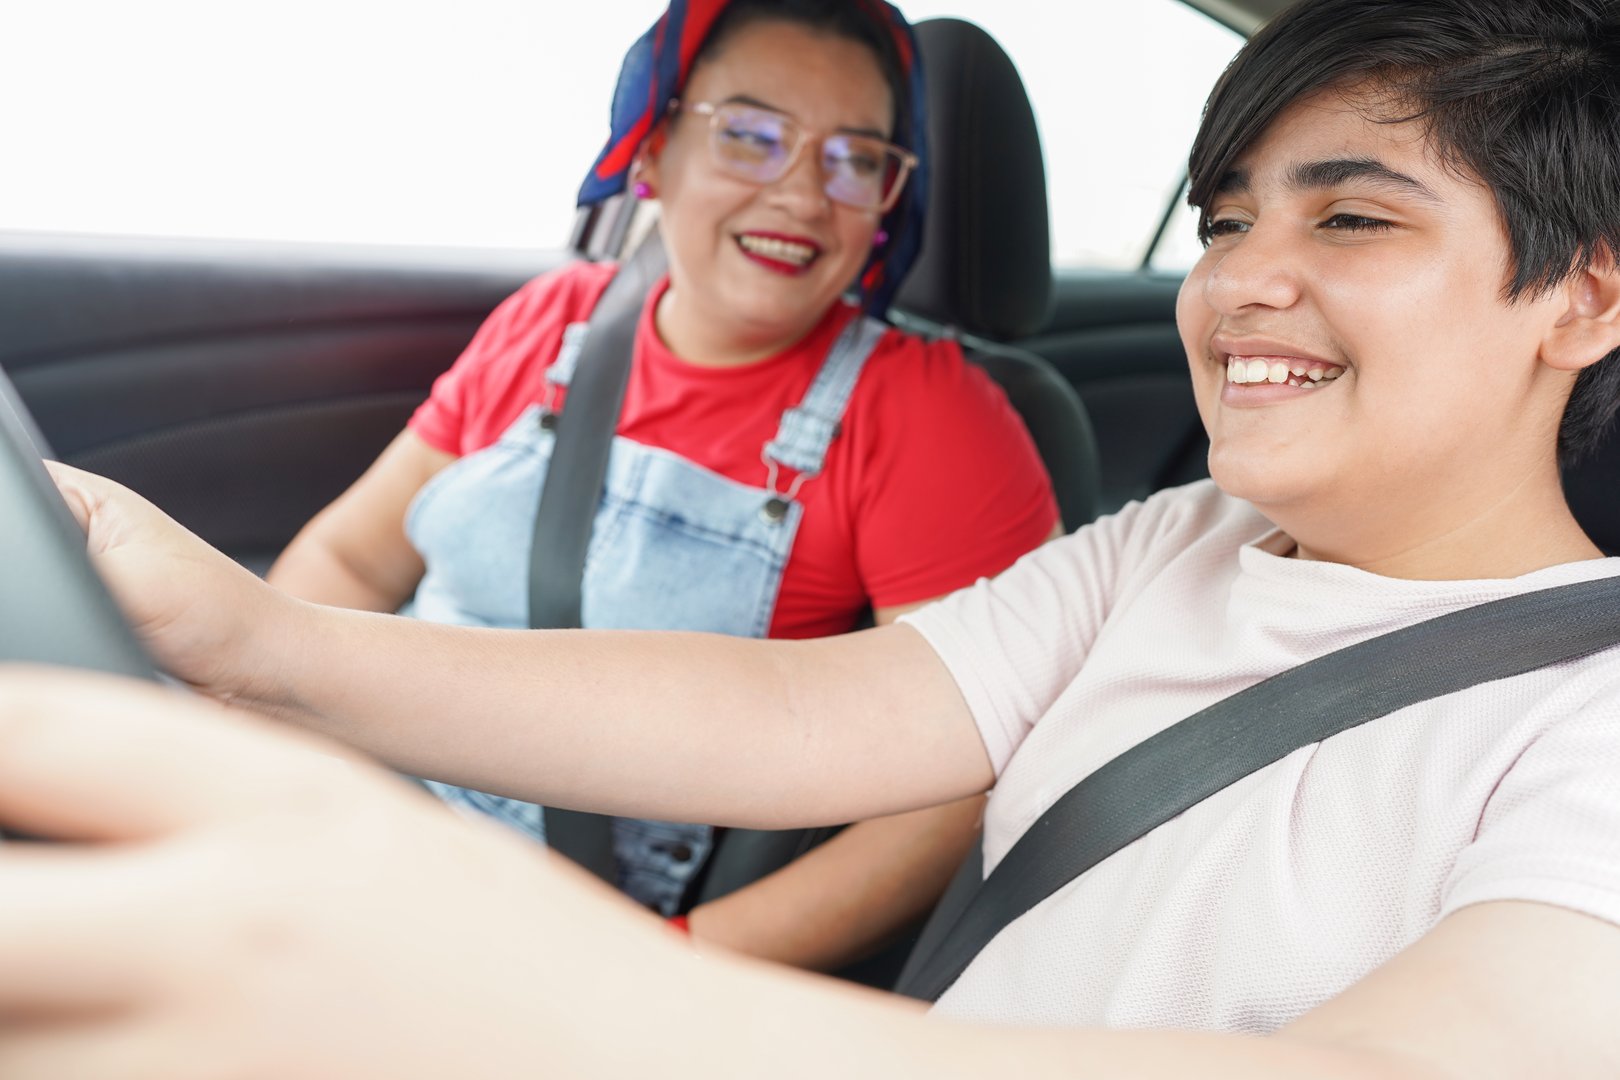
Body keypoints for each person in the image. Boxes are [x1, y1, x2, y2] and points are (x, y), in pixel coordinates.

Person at [6, 0, 1620, 1074]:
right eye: (1226, 220)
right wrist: (251, 637)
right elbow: (810, 714)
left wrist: (586, 994)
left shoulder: (1589, 718)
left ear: (1586, 294)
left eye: (1350, 216)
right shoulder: (1176, 544)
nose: (1241, 279)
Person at [258, 0, 1058, 970]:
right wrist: (266, 749)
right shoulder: (553, 323)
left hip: (553, 928)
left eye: (855, 158)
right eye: (753, 136)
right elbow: (351, 555)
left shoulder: (932, 417)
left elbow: (953, 786)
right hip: (342, 814)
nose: (805, 195)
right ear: (654, 150)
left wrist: (666, 971)